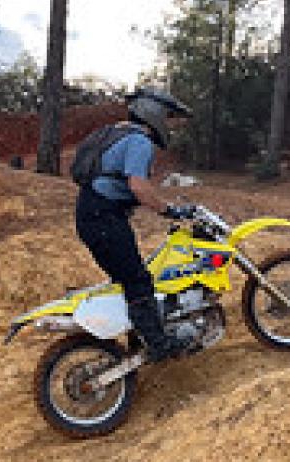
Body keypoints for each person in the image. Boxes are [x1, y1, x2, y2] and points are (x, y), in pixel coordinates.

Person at [74, 87, 193, 363]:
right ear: (154, 113)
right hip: (103, 218)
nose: (170, 123)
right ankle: (159, 344)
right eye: (168, 116)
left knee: (129, 279)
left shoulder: (118, 134)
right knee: (138, 281)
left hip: (94, 214)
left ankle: (140, 335)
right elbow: (138, 187)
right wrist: (170, 211)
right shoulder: (139, 141)